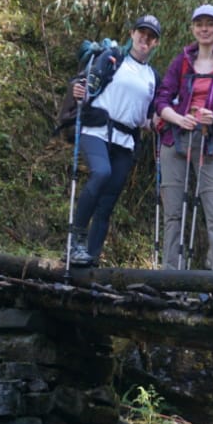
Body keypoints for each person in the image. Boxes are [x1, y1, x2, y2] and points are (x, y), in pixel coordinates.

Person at [152, 4, 213, 271]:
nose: (204, 29)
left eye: (210, 23)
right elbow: (161, 100)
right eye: (199, 24)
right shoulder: (181, 62)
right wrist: (178, 118)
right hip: (174, 141)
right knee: (173, 216)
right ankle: (171, 282)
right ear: (193, 28)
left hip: (212, 145)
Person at [68, 14, 162, 267]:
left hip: (127, 141)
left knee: (108, 200)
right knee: (101, 173)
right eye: (142, 32)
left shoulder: (153, 77)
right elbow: (88, 88)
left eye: (151, 36)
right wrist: (79, 91)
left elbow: (149, 119)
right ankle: (75, 241)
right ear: (132, 34)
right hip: (96, 130)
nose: (145, 38)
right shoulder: (112, 58)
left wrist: (162, 125)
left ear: (155, 44)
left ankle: (91, 257)